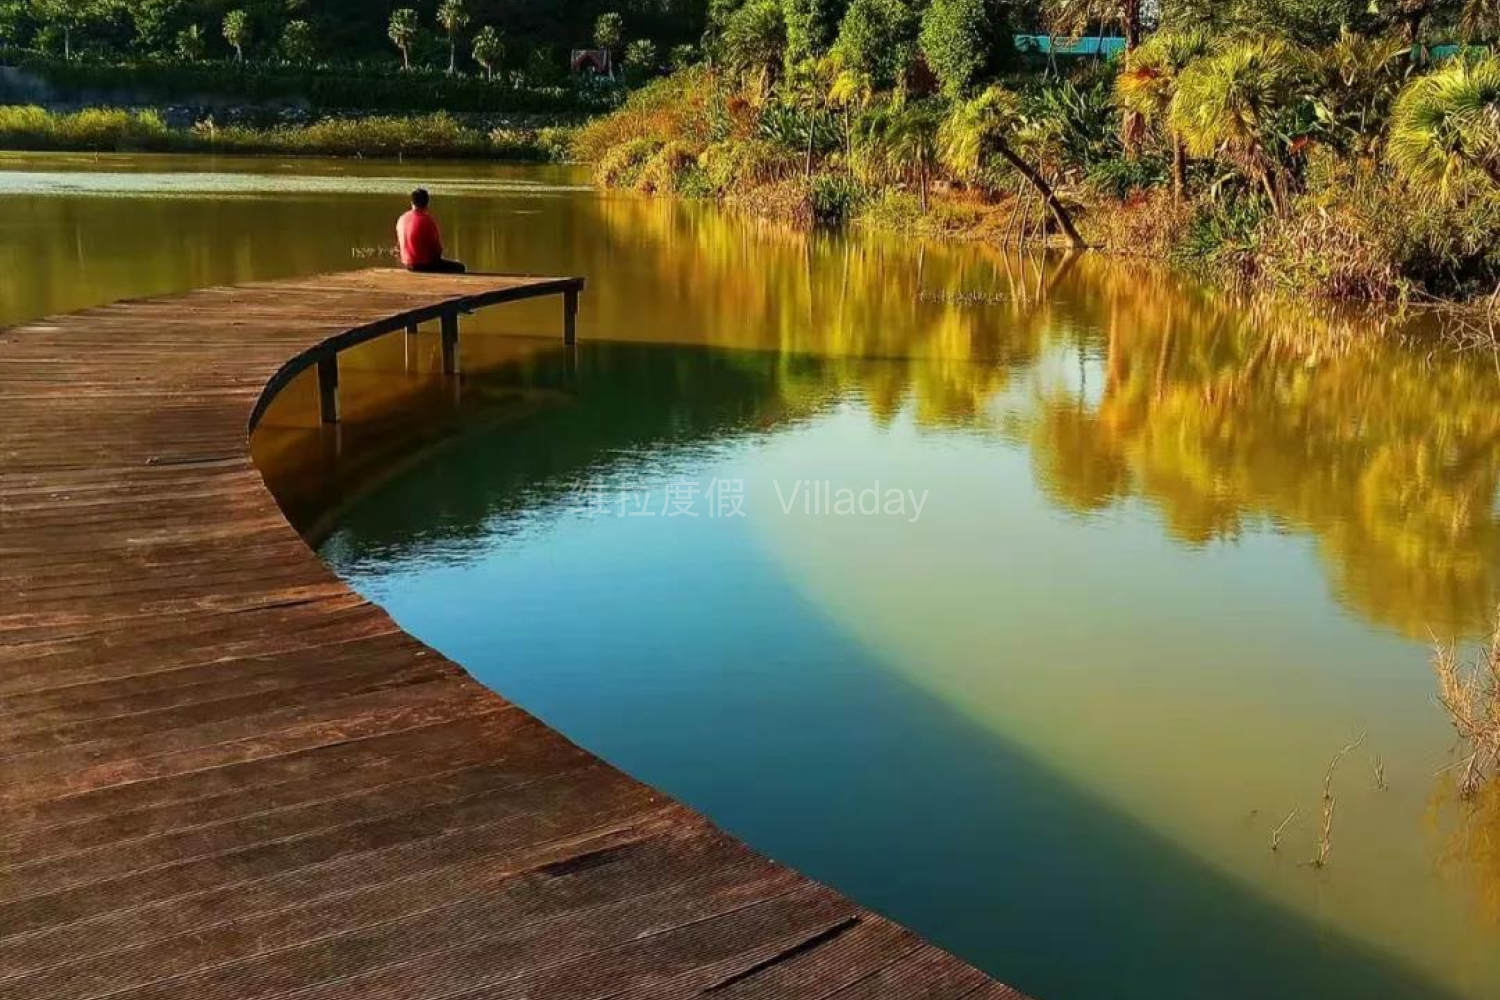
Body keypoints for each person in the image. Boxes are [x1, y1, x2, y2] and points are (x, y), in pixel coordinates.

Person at [396, 189, 466, 273]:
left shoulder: (402, 219)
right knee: (460, 267)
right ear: (427, 204)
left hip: (407, 264)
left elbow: (400, 246)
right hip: (424, 266)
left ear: (412, 202)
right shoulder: (427, 220)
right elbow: (437, 251)